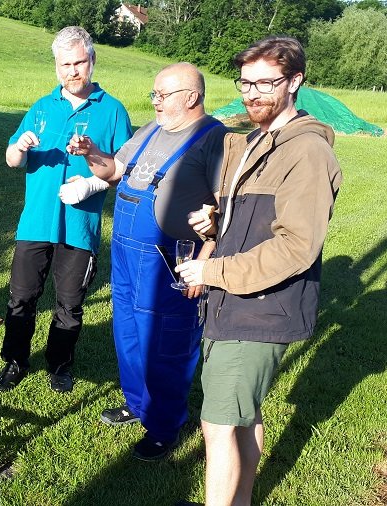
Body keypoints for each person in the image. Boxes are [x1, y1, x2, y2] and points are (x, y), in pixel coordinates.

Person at [176, 36, 342, 505]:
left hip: (260, 307)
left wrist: (211, 272)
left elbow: (296, 247)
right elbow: (252, 222)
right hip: (233, 301)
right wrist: (216, 223)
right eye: (246, 83)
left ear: (295, 82)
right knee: (243, 416)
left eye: (266, 83)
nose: (253, 93)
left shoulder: (306, 152)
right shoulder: (253, 142)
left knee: (218, 424)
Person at [67, 62, 227, 460]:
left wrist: (204, 265)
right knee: (128, 332)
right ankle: (138, 403)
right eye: (154, 94)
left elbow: (227, 210)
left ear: (191, 97)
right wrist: (91, 153)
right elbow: (114, 171)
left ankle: (164, 425)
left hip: (169, 259)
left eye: (163, 95)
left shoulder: (215, 139)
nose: (155, 101)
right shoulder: (150, 131)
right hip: (126, 252)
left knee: (166, 343)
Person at [0, 26, 132, 394]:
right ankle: (15, 361)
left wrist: (92, 178)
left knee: (70, 303)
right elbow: (11, 160)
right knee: (21, 298)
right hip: (35, 223)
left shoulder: (112, 111)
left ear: (92, 61)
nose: (73, 71)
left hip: (79, 226)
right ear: (56, 66)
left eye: (79, 63)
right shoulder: (41, 107)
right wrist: (19, 147)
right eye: (65, 64)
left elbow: (124, 170)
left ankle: (59, 365)